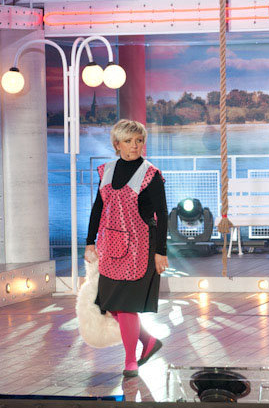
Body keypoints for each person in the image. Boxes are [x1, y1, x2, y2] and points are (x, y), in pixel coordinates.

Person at [84, 119, 168, 378]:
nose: (135, 146)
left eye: (139, 141)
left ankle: (130, 360)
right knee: (110, 304)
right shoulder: (106, 171)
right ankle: (148, 341)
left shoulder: (151, 174)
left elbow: (163, 214)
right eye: (129, 141)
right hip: (111, 247)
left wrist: (161, 252)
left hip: (141, 249)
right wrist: (89, 242)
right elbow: (98, 208)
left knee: (127, 305)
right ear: (117, 144)